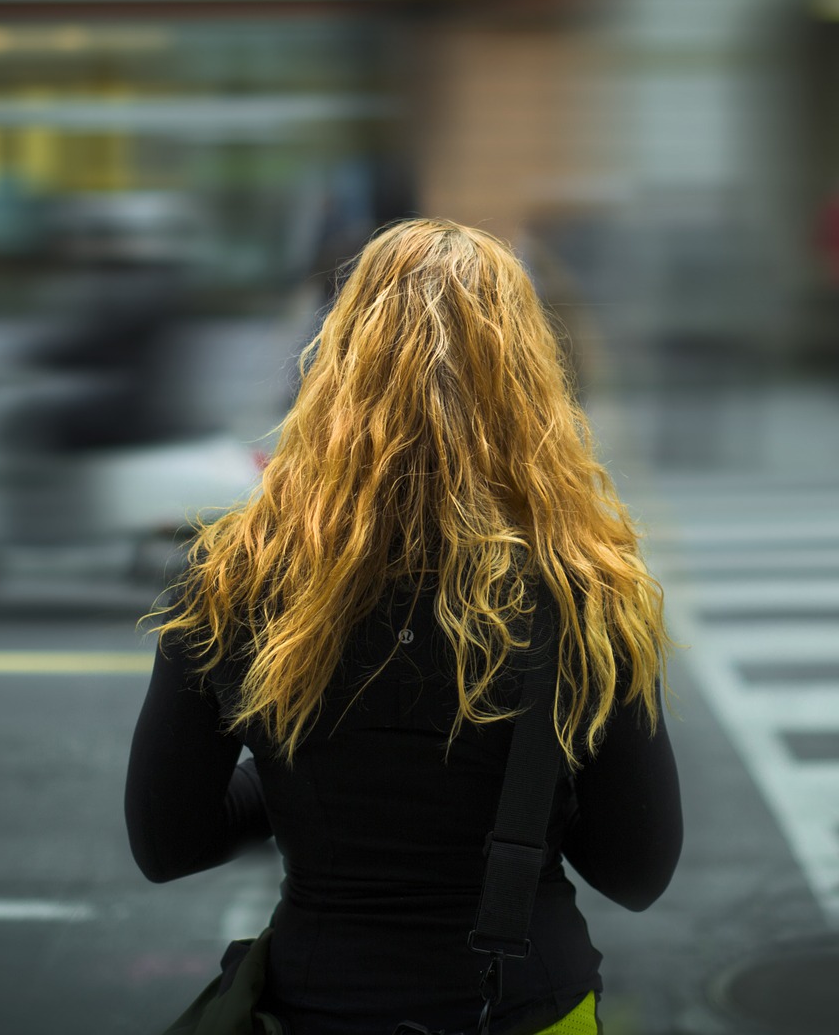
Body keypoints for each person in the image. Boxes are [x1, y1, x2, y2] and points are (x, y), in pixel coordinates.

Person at [126, 219, 683, 1035]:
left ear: (336, 364)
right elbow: (636, 871)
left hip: (316, 1007)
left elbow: (168, 841)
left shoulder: (236, 574)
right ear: (531, 380)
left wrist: (298, 779)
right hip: (527, 1009)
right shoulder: (584, 590)